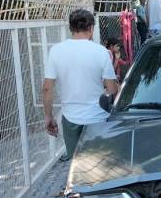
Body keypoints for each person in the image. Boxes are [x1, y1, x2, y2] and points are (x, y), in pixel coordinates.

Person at [43, 10, 119, 161]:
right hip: (98, 118)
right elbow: (111, 90)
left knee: (76, 167)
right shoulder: (101, 52)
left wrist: (48, 116)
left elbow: (47, 88)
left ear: (71, 28)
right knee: (99, 166)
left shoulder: (56, 51)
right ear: (91, 28)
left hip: (70, 118)